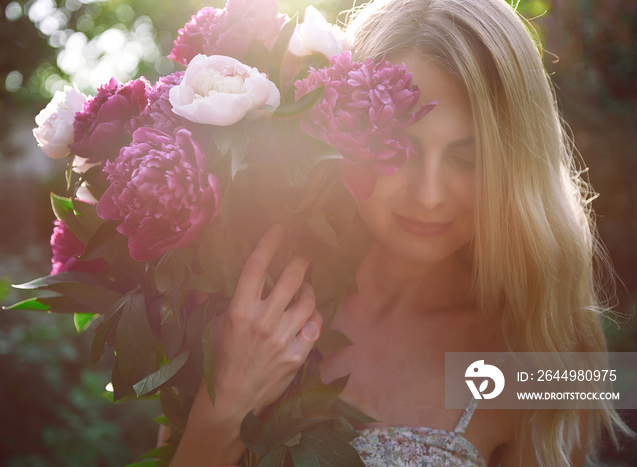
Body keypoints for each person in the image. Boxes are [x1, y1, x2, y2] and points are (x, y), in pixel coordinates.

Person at [160, 0, 629, 465]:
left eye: (469, 159)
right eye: (400, 147)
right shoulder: (242, 301)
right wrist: (224, 411)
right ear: (344, 130)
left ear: (517, 168)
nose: (428, 195)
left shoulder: (538, 354)